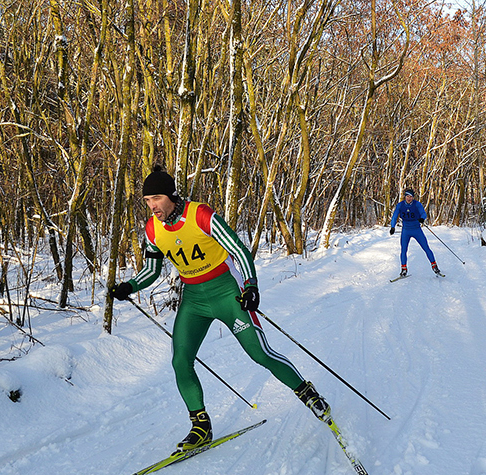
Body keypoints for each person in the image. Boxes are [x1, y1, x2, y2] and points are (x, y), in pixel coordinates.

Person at [110, 166, 331, 454]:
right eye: (148, 200)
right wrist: (129, 286)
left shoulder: (200, 215)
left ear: (172, 196)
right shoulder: (153, 229)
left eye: (157, 198)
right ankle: (200, 426)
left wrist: (251, 285)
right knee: (180, 361)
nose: (153, 206)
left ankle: (308, 393)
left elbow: (238, 250)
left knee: (259, 353)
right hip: (194, 299)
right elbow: (152, 270)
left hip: (227, 291)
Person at [389, 188, 442, 277]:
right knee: (403, 250)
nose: (409, 198)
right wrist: (392, 227)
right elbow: (394, 216)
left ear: (413, 197)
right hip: (406, 230)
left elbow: (423, 213)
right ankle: (404, 269)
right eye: (407, 196)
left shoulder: (417, 204)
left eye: (411, 197)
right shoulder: (400, 205)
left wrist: (422, 219)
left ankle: (434, 266)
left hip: (416, 229)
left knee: (426, 248)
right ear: (405, 197)